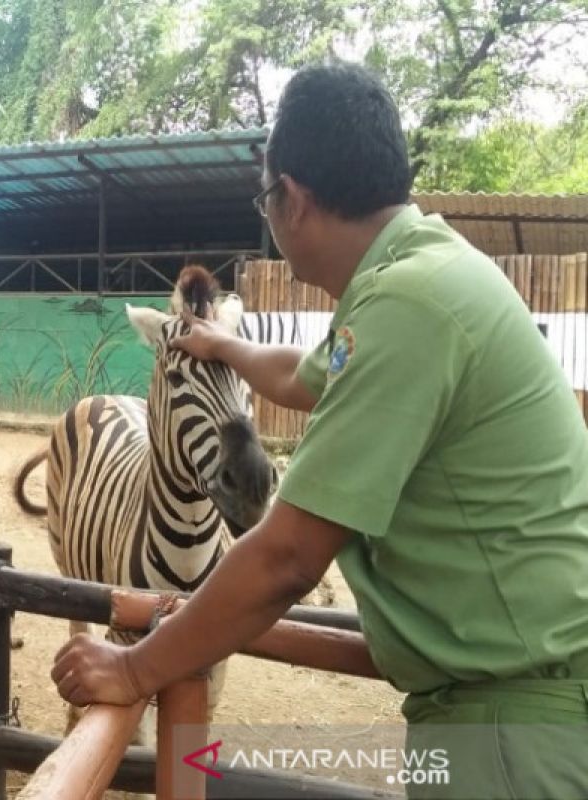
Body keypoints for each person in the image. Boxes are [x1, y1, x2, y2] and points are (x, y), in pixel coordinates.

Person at [49, 62, 588, 799]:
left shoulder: (406, 309)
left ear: (292, 200)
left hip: (516, 726)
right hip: (507, 702)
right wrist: (221, 348)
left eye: (264, 198)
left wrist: (136, 668)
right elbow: (304, 376)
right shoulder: (410, 281)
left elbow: (288, 558)